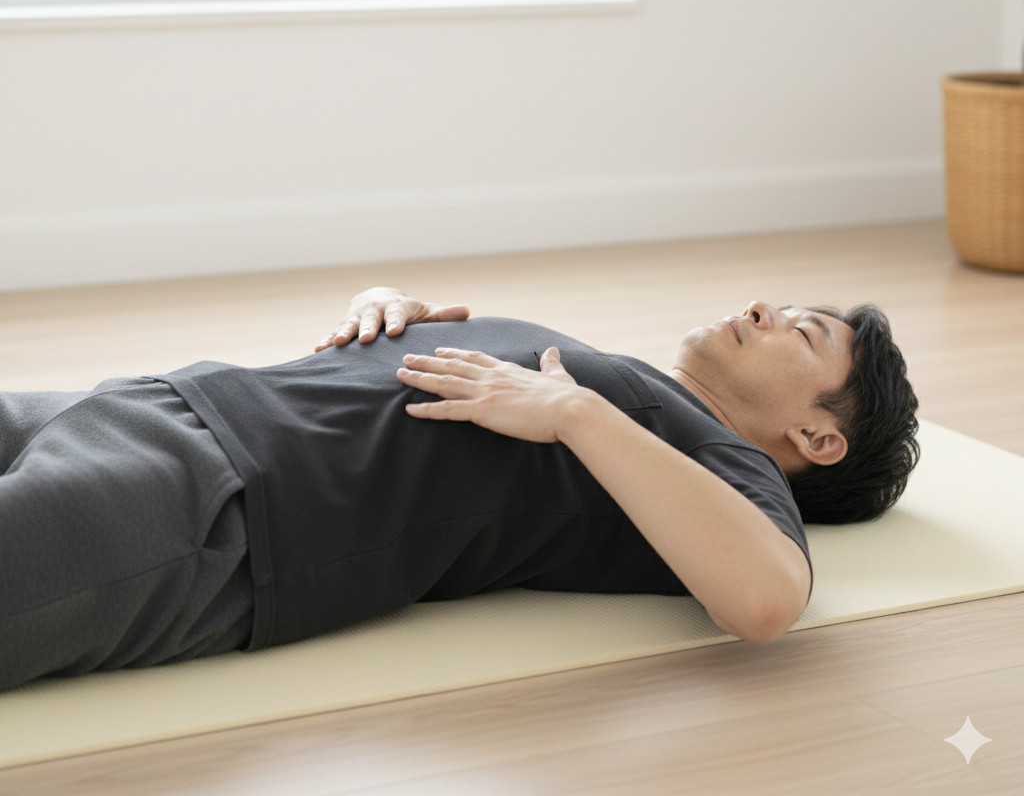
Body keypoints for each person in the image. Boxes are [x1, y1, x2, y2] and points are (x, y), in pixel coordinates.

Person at [0, 286, 918, 692]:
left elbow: (764, 599)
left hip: (219, 505)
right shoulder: (619, 376)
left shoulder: (718, 456)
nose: (761, 307)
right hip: (159, 401)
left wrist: (575, 413)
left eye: (800, 332)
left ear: (817, 438)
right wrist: (390, 311)